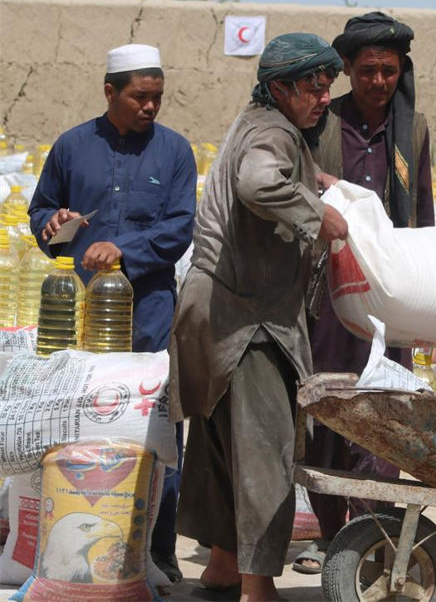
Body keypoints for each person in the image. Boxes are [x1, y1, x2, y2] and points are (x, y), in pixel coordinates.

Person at [168, 33, 347, 602]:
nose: (323, 96)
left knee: (221, 448)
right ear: (278, 88)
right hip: (247, 318)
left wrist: (310, 180)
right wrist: (316, 215)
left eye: (327, 85)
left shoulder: (258, 121)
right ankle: (258, 587)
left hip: (214, 311)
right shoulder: (273, 129)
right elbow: (255, 181)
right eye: (310, 86)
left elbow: (262, 173)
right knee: (264, 449)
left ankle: (223, 566)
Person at [28, 43, 196, 583]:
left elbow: (178, 228)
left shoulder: (174, 152)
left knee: (155, 430)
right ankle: (76, 549)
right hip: (80, 317)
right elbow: (40, 212)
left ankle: (159, 552)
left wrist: (124, 250)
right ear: (110, 91)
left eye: (157, 98)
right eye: (139, 97)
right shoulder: (72, 146)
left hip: (147, 313)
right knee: (76, 423)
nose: (150, 107)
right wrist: (53, 223)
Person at [295, 10, 434, 575]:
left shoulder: (414, 130)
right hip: (327, 297)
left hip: (388, 296)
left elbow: (420, 217)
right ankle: (335, 537)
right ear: (347, 68)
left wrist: (424, 298)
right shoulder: (321, 125)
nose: (379, 82)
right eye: (368, 70)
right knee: (330, 416)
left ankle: (373, 539)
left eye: (389, 71)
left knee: (382, 416)